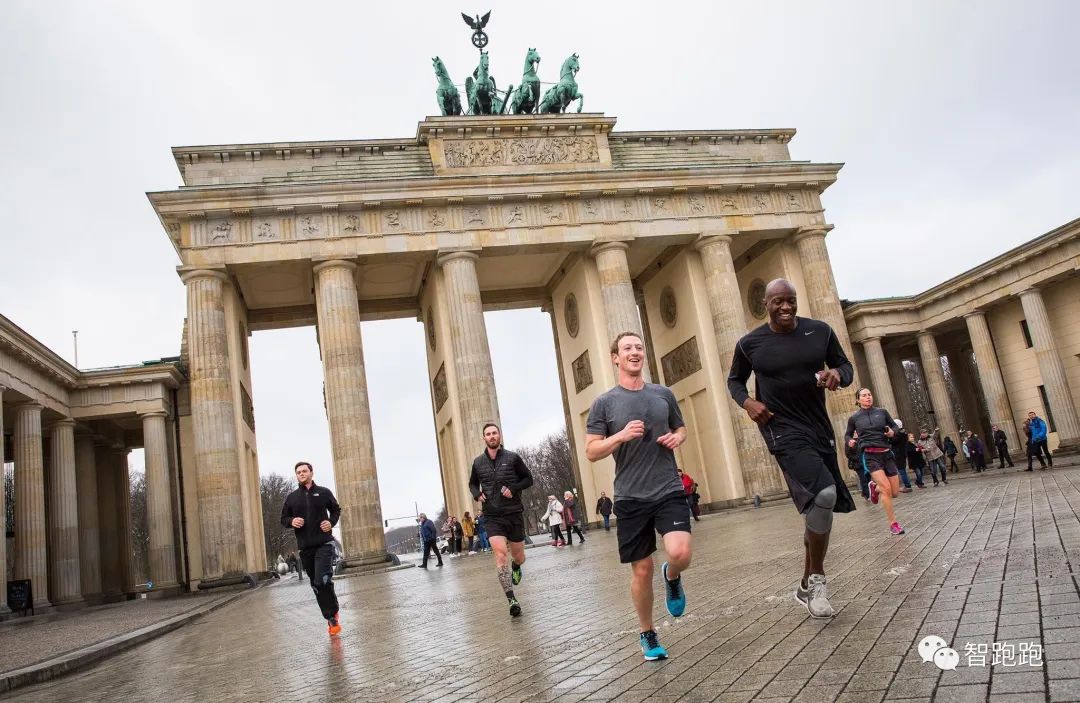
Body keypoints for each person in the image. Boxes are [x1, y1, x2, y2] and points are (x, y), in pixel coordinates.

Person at [728, 279, 855, 621]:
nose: (786, 307)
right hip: (781, 428)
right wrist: (749, 403)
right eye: (779, 302)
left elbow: (846, 367)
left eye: (791, 301)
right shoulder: (750, 343)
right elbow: (734, 381)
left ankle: (803, 583)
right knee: (825, 495)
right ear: (766, 304)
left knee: (819, 507)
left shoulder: (820, 331)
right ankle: (817, 582)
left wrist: (837, 377)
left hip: (818, 426)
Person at [586, 331, 692, 661]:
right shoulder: (604, 403)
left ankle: (672, 576)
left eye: (639, 347)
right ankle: (647, 634)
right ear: (615, 358)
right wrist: (619, 435)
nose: (634, 352)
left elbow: (681, 427)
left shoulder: (663, 394)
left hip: (667, 488)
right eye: (627, 348)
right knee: (642, 570)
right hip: (631, 496)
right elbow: (591, 450)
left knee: (680, 551)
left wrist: (678, 439)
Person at [468, 422, 534, 618]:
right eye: (488, 434)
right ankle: (511, 599)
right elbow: (472, 483)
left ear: (500, 436)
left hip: (513, 513)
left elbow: (528, 479)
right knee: (500, 555)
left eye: (494, 433)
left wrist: (513, 488)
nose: (491, 436)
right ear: (484, 438)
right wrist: (476, 494)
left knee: (518, 556)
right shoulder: (478, 462)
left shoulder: (513, 458)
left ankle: (516, 566)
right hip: (492, 515)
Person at [280, 461, 342, 636]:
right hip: (305, 548)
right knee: (316, 584)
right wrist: (291, 521)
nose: (301, 474)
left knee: (322, 579)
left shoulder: (323, 492)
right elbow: (283, 518)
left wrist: (330, 522)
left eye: (304, 471)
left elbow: (336, 510)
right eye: (298, 472)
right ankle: (331, 612)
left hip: (324, 543)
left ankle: (332, 616)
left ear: (311, 473)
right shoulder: (292, 498)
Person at [844, 388, 906, 536]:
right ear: (858, 400)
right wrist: (850, 441)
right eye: (864, 396)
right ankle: (893, 524)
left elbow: (895, 427)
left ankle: (874, 488)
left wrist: (892, 432)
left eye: (869, 395)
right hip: (870, 455)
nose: (868, 397)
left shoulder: (882, 412)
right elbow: (847, 434)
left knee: (895, 492)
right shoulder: (854, 418)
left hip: (886, 453)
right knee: (886, 489)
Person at [891, 420, 916, 491]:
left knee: (901, 471)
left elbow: (892, 441)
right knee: (902, 471)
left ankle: (907, 486)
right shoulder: (904, 433)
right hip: (902, 453)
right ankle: (907, 485)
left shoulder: (898, 434)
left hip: (898, 454)